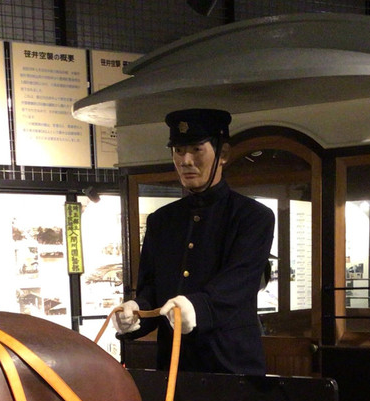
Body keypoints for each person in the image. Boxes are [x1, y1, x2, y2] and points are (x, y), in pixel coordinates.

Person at [114, 108, 275, 374]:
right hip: (175, 365)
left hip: (231, 366)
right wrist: (136, 312)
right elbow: (151, 288)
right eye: (178, 151)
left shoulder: (253, 217)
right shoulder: (162, 220)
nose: (186, 160)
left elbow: (239, 284)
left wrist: (197, 306)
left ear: (222, 154)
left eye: (197, 150)